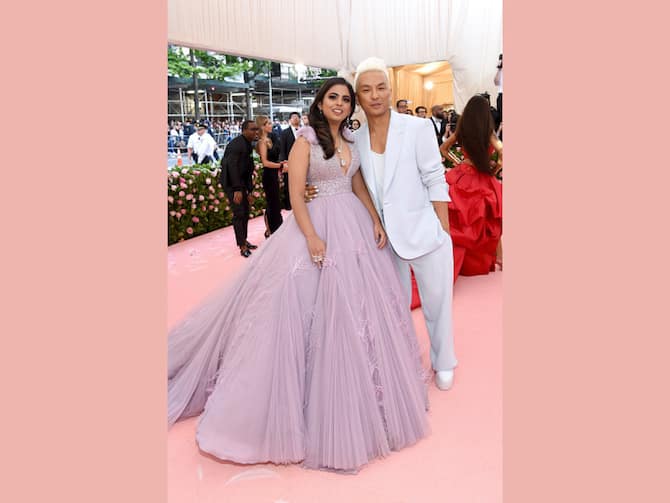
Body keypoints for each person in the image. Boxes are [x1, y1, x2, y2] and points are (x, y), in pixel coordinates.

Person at [168, 77, 429, 473]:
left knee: (362, 311)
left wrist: (375, 219)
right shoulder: (305, 140)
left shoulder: (351, 140)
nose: (340, 104)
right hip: (318, 226)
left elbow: (357, 184)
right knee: (304, 310)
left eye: (345, 98)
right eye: (333, 98)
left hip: (354, 225)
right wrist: (311, 237)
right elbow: (294, 195)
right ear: (320, 103)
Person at [306, 58, 457, 391]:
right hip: (382, 239)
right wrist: (309, 188)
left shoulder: (417, 128)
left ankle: (444, 360)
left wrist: (443, 233)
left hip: (424, 232)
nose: (375, 95)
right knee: (392, 305)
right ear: (357, 97)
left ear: (390, 90)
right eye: (366, 90)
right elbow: (344, 179)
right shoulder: (351, 138)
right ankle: (403, 363)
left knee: (437, 302)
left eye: (381, 88)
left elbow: (435, 178)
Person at [439, 94, 503, 280]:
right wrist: (496, 168)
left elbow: (443, 148)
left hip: (462, 174)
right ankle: (499, 257)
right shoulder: (489, 133)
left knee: (459, 219)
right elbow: (502, 151)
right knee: (490, 218)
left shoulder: (462, 129)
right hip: (483, 177)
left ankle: (457, 258)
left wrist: (458, 161)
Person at [219, 120, 260, 258]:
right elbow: (232, 168)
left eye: (257, 129)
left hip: (241, 183)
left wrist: (248, 191)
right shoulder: (236, 145)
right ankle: (242, 246)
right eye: (253, 129)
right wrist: (237, 189)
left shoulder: (247, 144)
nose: (256, 132)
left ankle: (244, 240)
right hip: (232, 184)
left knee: (246, 212)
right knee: (239, 213)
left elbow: (247, 169)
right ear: (244, 130)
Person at [255, 115, 285, 237]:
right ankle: (271, 230)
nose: (271, 125)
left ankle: (275, 229)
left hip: (274, 175)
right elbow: (265, 163)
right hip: (268, 176)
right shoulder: (262, 142)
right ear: (262, 126)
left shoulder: (270, 140)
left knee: (275, 202)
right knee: (272, 203)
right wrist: (280, 166)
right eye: (268, 123)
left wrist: (280, 164)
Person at [279, 111, 301, 210]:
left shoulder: (304, 131)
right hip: (289, 162)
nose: (296, 119)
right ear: (290, 120)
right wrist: (284, 162)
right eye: (293, 117)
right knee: (289, 183)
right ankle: (289, 204)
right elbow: (282, 149)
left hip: (302, 161)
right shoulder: (285, 133)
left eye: (297, 117)